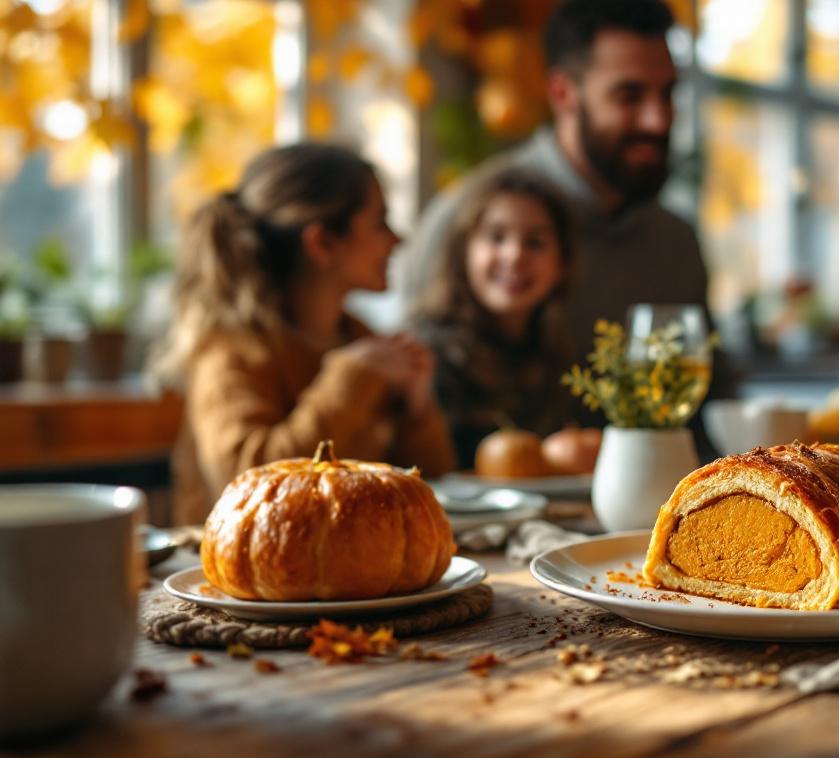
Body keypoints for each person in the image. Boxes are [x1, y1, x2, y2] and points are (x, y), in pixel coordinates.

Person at [151, 143, 455, 524]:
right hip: (237, 577)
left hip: (348, 568)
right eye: (380, 222)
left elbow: (433, 487)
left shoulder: (358, 339)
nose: (399, 240)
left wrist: (416, 409)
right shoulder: (233, 350)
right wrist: (348, 378)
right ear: (322, 242)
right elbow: (246, 487)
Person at [403, 0, 708, 364]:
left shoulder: (675, 245)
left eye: (668, 94)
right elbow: (409, 394)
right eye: (629, 96)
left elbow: (710, 393)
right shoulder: (470, 222)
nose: (658, 121)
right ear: (563, 94)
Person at [411, 169, 576, 466]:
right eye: (496, 237)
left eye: (535, 242)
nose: (514, 255)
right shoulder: (422, 354)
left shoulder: (561, 357)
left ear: (562, 263)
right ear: (464, 252)